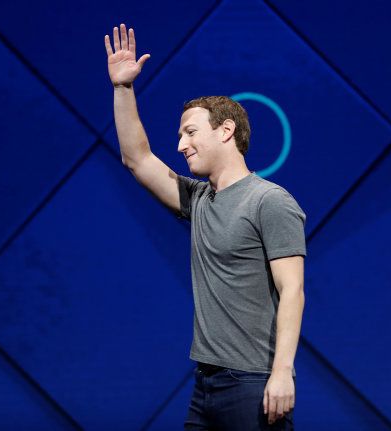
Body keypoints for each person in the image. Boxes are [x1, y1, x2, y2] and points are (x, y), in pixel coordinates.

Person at [105, 24, 306, 430]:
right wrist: (123, 89)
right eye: (180, 135)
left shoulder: (270, 200)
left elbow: (293, 290)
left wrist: (282, 372)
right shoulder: (198, 200)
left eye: (190, 132)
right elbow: (137, 159)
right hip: (206, 383)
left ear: (226, 131)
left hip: (252, 382)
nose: (181, 145)